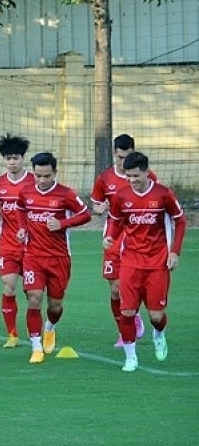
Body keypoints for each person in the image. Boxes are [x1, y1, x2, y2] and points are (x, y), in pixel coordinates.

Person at [104, 152, 185, 372]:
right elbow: (116, 220)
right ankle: (131, 357)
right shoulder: (121, 196)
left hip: (157, 263)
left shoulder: (163, 194)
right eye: (128, 176)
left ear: (146, 172)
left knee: (156, 316)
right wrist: (110, 235)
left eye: (136, 176)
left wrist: (174, 252)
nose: (132, 180)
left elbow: (180, 221)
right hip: (130, 261)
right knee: (127, 312)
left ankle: (158, 333)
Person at [16, 152, 91, 364]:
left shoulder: (65, 194)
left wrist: (62, 224)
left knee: (55, 305)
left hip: (59, 257)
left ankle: (49, 327)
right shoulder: (26, 192)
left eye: (46, 176)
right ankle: (36, 345)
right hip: (33, 256)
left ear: (55, 173)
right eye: (38, 176)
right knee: (34, 298)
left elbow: (85, 214)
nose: (41, 180)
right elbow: (21, 210)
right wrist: (23, 229)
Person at [91, 134, 151, 346]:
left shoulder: (146, 175)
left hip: (140, 239)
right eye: (119, 157)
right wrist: (100, 208)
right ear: (114, 155)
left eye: (126, 156)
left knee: (139, 286)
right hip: (114, 239)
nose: (122, 161)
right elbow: (96, 204)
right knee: (115, 288)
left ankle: (134, 315)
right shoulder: (105, 178)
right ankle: (126, 327)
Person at [0, 134, 35, 349]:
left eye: (15, 158)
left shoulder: (34, 181)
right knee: (9, 287)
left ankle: (37, 331)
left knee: (33, 293)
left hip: (33, 245)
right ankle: (12, 334)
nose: (12, 162)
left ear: (23, 158)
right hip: (7, 244)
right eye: (8, 158)